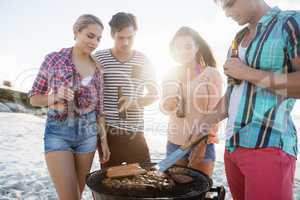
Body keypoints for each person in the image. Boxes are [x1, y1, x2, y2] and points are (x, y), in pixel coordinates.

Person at [191, 0, 300, 199]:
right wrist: (206, 122)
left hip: (268, 146)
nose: (226, 13)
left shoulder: (291, 22)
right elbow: (234, 93)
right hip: (233, 148)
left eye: (230, 4)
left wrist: (248, 73)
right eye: (223, 7)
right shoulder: (237, 39)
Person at [28, 14, 110, 200]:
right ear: (76, 32)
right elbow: (33, 98)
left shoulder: (98, 69)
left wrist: (103, 141)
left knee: (76, 196)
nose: (95, 42)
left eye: (98, 38)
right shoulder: (53, 60)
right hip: (58, 133)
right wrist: (55, 96)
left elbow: (100, 110)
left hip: (88, 136)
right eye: (90, 36)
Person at [94, 12, 158, 168]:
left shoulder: (143, 60)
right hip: (108, 133)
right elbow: (94, 100)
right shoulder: (99, 58)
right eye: (121, 38)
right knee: (109, 185)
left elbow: (154, 95)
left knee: (145, 181)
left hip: (135, 134)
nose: (126, 42)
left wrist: (134, 102)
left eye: (130, 37)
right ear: (112, 34)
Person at [160, 26, 223, 177]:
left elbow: (217, 113)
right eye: (178, 48)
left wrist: (201, 143)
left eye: (187, 47)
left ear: (197, 47)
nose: (182, 51)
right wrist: (167, 105)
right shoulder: (169, 74)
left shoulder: (211, 75)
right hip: (174, 143)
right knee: (177, 192)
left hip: (202, 143)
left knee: (199, 192)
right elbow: (163, 107)